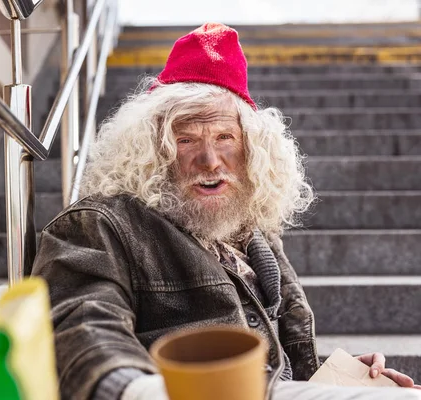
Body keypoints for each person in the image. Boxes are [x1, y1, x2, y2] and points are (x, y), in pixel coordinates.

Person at [32, 23, 421, 400]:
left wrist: (333, 378)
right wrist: (137, 389)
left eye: (224, 137)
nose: (210, 161)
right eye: (186, 140)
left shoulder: (252, 227)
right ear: (153, 152)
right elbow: (81, 329)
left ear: (252, 146)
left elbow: (276, 365)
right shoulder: (98, 225)